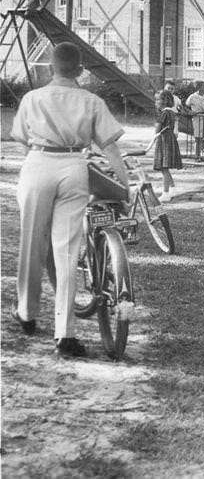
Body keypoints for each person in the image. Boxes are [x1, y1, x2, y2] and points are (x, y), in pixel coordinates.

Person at [9, 42, 129, 357]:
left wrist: (39, 158)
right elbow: (111, 149)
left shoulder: (31, 99)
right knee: (66, 251)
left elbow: (23, 143)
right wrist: (124, 185)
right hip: (74, 166)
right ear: (79, 71)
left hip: (38, 163)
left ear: (50, 68)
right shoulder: (92, 101)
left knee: (32, 243)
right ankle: (65, 334)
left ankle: (27, 313)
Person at [153, 89, 183, 202]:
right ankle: (172, 188)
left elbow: (157, 128)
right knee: (164, 167)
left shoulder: (164, 113)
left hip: (164, 140)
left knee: (163, 167)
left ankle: (165, 193)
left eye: (157, 100)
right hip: (169, 139)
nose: (156, 102)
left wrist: (156, 131)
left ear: (164, 101)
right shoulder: (171, 112)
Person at [185, 80, 204, 159]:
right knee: (197, 138)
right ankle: (197, 155)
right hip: (196, 119)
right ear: (199, 87)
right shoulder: (192, 97)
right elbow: (186, 106)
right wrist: (191, 112)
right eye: (203, 86)